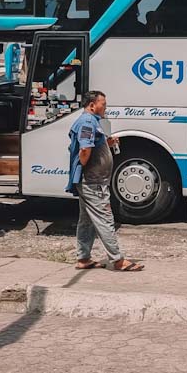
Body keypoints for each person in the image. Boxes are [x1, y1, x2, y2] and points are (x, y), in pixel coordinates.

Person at [68, 91, 142, 272]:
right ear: (92, 105)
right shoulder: (87, 122)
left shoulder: (93, 122)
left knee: (86, 221)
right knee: (105, 219)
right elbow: (85, 150)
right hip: (93, 182)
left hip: (94, 181)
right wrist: (85, 166)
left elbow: (92, 144)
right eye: (103, 104)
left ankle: (83, 258)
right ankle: (117, 260)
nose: (106, 107)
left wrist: (106, 144)